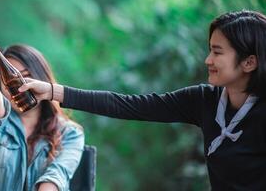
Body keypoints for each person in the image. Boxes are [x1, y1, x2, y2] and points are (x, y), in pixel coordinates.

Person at [19, 10, 266, 190]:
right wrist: (53, 91)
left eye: (217, 52)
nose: (208, 60)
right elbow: (129, 105)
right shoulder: (204, 100)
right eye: (210, 50)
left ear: (249, 62)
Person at [0, 44, 84, 191]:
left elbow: (55, 177)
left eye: (25, 76)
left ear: (42, 78)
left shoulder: (70, 133)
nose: (17, 87)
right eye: (7, 81)